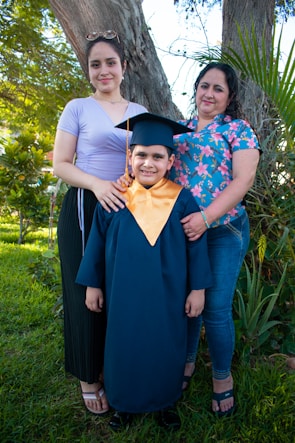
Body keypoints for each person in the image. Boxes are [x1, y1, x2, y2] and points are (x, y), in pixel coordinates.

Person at [76, 112, 213, 431]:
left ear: (169, 161)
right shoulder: (115, 197)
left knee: (166, 345)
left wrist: (198, 288)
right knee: (123, 345)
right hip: (122, 293)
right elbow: (96, 242)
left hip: (168, 294)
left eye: (157, 156)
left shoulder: (181, 199)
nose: (148, 163)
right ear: (130, 157)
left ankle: (164, 403)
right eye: (141, 155)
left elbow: (196, 244)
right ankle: (123, 404)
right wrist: (92, 284)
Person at [52, 30, 147, 415]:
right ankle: (87, 376)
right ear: (88, 70)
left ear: (123, 67)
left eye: (110, 63)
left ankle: (112, 366)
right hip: (84, 207)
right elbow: (60, 164)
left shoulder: (139, 113)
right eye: (95, 64)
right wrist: (96, 184)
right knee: (83, 290)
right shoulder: (77, 107)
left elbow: (146, 162)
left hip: (125, 210)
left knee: (116, 290)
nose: (103, 70)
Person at [169, 62, 261, 417]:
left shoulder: (238, 129)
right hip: (186, 231)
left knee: (214, 309)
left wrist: (207, 218)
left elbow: (243, 180)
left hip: (224, 230)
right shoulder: (179, 129)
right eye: (203, 86)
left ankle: (222, 378)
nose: (208, 94)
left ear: (229, 96)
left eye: (218, 89)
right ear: (195, 89)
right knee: (188, 305)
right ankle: (187, 365)